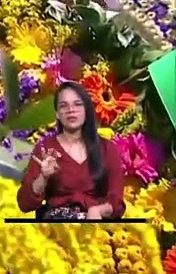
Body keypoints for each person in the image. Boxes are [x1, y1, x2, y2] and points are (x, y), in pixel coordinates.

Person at [17, 81, 125, 220]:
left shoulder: (108, 149)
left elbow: (117, 202)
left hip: (96, 228)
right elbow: (24, 204)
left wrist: (99, 210)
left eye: (77, 104)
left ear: (87, 109)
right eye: (64, 106)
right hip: (55, 228)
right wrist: (43, 178)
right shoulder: (46, 149)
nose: (71, 110)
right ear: (57, 114)